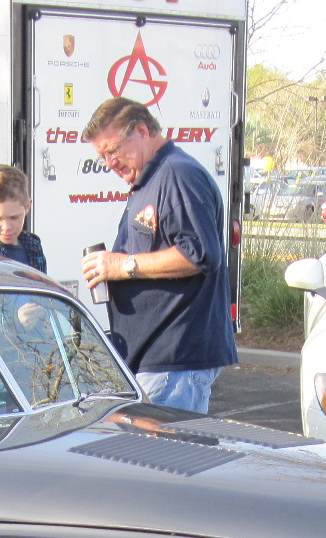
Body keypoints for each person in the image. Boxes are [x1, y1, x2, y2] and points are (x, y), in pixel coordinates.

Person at [79, 98, 237, 413]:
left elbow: (199, 255)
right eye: (102, 156)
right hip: (153, 360)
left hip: (174, 360)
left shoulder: (178, 175)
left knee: (165, 460)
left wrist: (122, 265)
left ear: (141, 130)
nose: (110, 162)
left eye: (113, 150)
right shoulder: (149, 180)